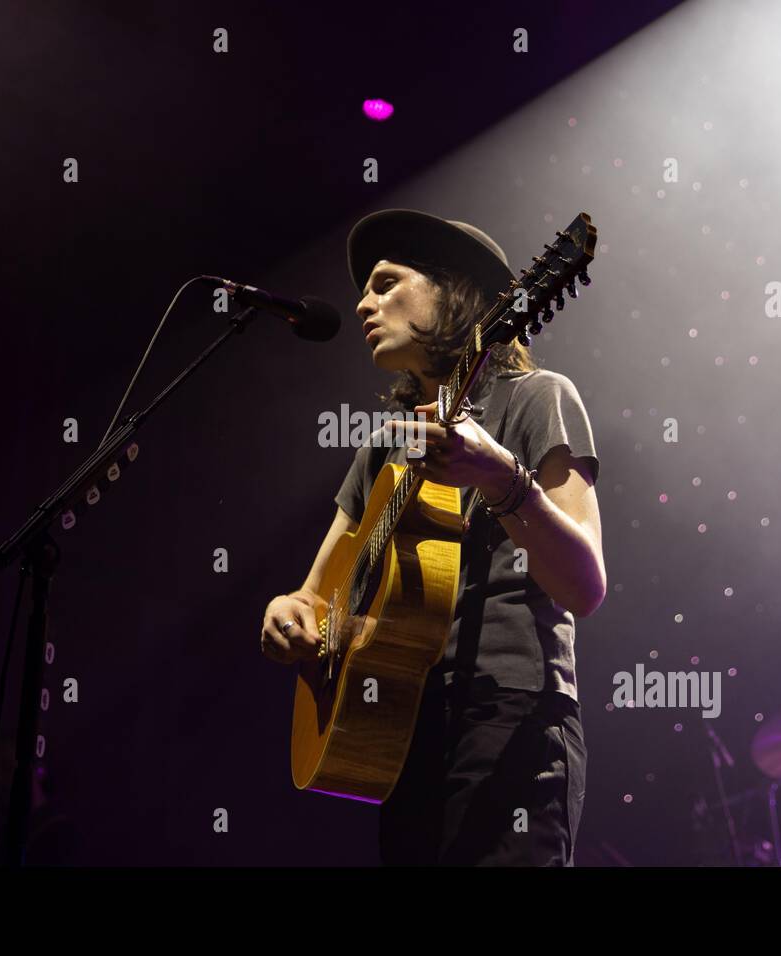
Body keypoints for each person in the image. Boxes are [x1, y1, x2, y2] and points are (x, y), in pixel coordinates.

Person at [261, 209, 606, 865]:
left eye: (387, 282)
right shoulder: (379, 451)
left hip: (509, 715)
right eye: (365, 289)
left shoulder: (538, 398)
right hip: (397, 725)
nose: (364, 302)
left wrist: (502, 477)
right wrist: (288, 615)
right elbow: (310, 598)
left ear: (455, 292)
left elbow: (584, 587)